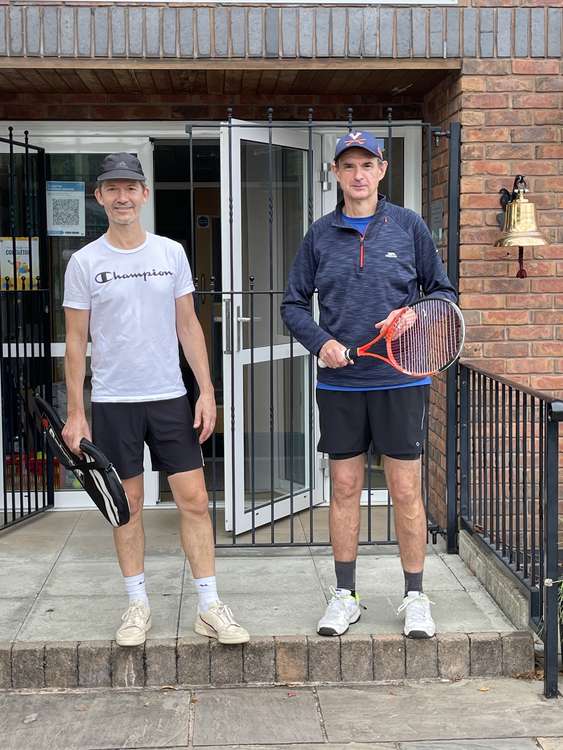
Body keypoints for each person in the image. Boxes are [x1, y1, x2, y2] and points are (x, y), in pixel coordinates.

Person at [62, 152, 249, 647]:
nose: (122, 197)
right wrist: (77, 413)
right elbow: (76, 342)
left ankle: (209, 606)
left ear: (144, 194)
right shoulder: (84, 263)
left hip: (170, 398)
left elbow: (188, 324)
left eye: (130, 187)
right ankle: (137, 605)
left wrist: (207, 391)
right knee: (128, 506)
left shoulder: (170, 253)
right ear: (100, 197)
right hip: (115, 402)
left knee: (195, 500)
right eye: (112, 189)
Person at [281, 132, 457, 639]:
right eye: (348, 165)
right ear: (336, 173)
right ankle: (345, 595)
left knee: (405, 489)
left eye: (367, 164)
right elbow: (293, 304)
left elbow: (442, 294)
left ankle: (415, 596)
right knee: (344, 487)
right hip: (340, 384)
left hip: (400, 379)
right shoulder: (319, 234)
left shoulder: (408, 226)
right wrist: (321, 343)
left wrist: (412, 317)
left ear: (382, 169)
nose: (358, 174)